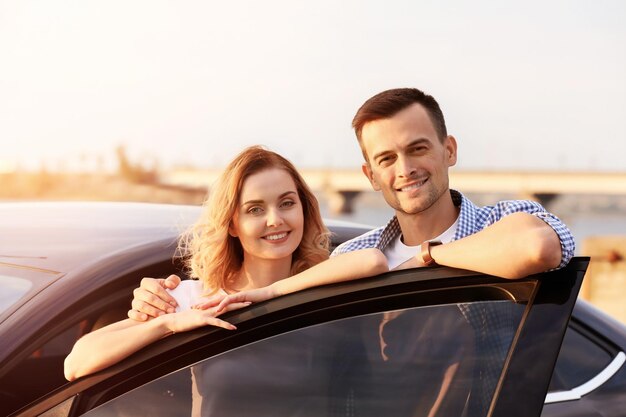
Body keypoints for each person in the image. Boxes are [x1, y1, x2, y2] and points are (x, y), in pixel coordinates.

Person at [129, 87, 574, 316]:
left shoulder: (503, 221)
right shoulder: (354, 255)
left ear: (449, 150)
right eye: (386, 158)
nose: (404, 170)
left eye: (418, 149)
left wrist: (425, 258)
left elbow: (537, 250)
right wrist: (162, 296)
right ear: (371, 176)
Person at [63, 146, 389, 382]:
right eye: (255, 209)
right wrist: (166, 325)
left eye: (287, 203)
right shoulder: (198, 298)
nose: (275, 220)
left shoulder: (319, 285)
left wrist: (271, 294)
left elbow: (373, 260)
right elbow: (76, 363)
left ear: (303, 209)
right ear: (232, 224)